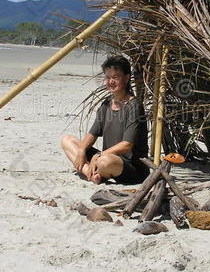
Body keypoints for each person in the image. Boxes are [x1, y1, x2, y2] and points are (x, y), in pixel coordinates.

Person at [61, 55, 149, 184]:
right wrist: (81, 151)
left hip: (131, 166)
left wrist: (98, 156)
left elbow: (127, 144)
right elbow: (93, 134)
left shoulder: (134, 106)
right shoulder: (106, 104)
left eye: (115, 77)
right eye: (107, 77)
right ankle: (91, 174)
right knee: (67, 140)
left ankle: (94, 172)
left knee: (104, 161)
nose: (110, 81)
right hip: (106, 156)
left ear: (126, 77)